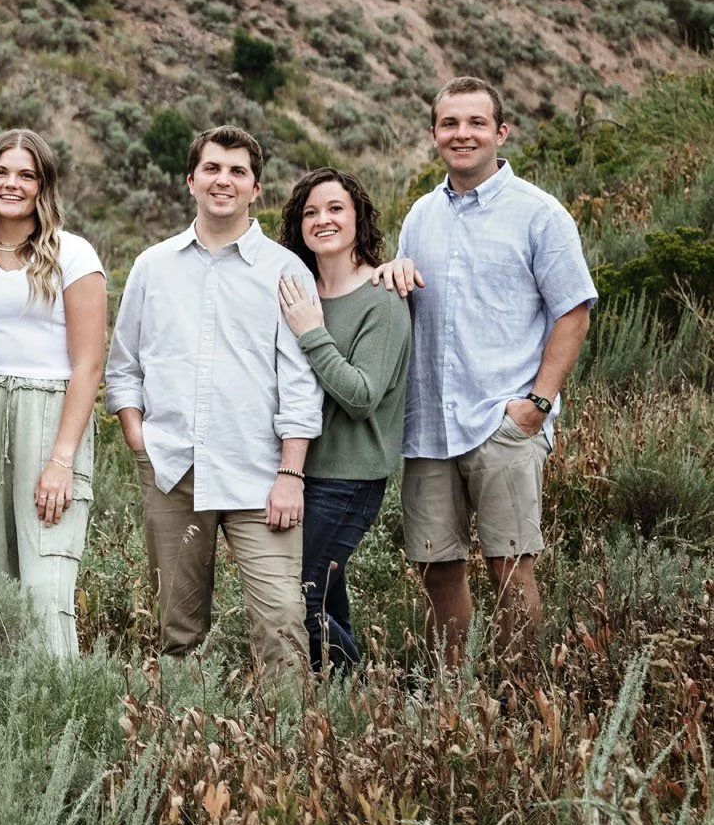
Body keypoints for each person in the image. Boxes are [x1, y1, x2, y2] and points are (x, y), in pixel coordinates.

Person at [374, 77, 595, 667]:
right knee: (436, 566)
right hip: (428, 428)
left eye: (476, 123)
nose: (462, 134)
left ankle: (521, 702)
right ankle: (457, 696)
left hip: (503, 421)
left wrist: (536, 405)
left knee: (510, 565)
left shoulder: (539, 214)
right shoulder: (420, 216)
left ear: (500, 132)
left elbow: (573, 313)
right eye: (450, 124)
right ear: (434, 135)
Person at [104, 125, 323, 679]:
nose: (223, 180)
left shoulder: (285, 270)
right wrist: (140, 439)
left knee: (282, 622)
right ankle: (185, 743)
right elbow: (124, 365)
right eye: (212, 169)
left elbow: (301, 383)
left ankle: (288, 750)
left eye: (238, 172)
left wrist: (291, 474)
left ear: (256, 189)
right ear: (191, 181)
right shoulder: (153, 266)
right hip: (174, 472)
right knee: (177, 631)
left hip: (260, 478)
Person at [0, 130, 106, 657]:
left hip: (51, 416)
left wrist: (61, 460)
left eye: (26, 174)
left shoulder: (73, 254)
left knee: (44, 584)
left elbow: (88, 364)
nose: (12, 184)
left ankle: (57, 712)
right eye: (1, 172)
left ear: (43, 186)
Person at [275, 168, 411, 672]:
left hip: (349, 479)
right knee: (327, 600)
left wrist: (312, 333)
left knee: (300, 595)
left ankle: (370, 695)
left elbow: (361, 396)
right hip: (300, 472)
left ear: (358, 217)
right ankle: (345, 716)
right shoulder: (296, 292)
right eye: (310, 212)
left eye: (335, 208)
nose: (322, 219)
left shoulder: (383, 298)